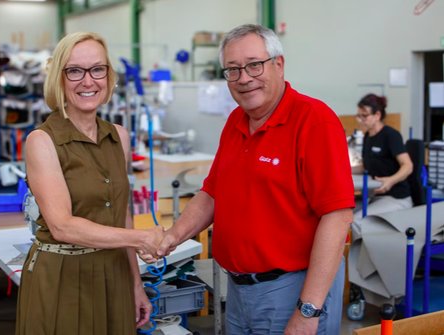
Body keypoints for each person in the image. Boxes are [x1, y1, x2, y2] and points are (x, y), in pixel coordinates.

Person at [141, 24, 355, 334]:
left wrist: (308, 311)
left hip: (291, 290)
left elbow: (337, 218)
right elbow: (211, 194)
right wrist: (172, 238)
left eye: (254, 65)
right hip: (239, 292)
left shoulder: (314, 120)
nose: (244, 78)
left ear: (278, 65)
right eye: (233, 69)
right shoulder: (236, 120)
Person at [15, 32, 164, 335]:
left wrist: (136, 284)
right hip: (63, 278)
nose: (88, 81)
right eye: (75, 71)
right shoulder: (42, 141)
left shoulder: (119, 136)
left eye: (98, 69)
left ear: (109, 76)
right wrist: (141, 239)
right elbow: (63, 226)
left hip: (114, 274)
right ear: (59, 77)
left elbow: (123, 216)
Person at [351, 93, 413, 221]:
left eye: (364, 116)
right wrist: (343, 170)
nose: (360, 119)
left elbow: (408, 166)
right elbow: (366, 166)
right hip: (375, 196)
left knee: (356, 221)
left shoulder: (391, 135)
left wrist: (391, 180)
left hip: (396, 198)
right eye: (359, 116)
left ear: (377, 115)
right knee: (342, 215)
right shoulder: (368, 136)